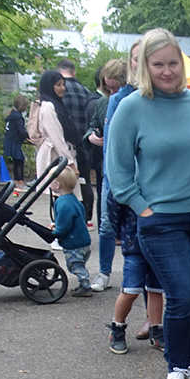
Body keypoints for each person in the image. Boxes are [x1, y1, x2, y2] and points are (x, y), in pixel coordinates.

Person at [105, 28, 190, 379]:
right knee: (180, 295)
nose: (167, 70)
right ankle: (176, 364)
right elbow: (118, 171)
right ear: (145, 66)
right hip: (161, 220)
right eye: (158, 64)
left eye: (173, 63)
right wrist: (143, 210)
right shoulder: (131, 107)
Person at [100, 40, 142, 298]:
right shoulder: (119, 100)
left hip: (153, 185)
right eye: (136, 58)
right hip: (122, 179)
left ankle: (154, 317)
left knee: (148, 245)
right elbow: (112, 148)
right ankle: (105, 272)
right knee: (110, 226)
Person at [85, 58, 128, 291]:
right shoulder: (105, 102)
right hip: (108, 172)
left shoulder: (132, 100)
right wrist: (92, 136)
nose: (111, 92)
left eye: (115, 87)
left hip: (131, 173)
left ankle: (140, 279)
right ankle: (104, 273)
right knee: (105, 225)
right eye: (108, 88)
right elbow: (91, 126)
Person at [105, 193, 165, 353]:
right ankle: (117, 328)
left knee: (156, 290)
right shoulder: (127, 180)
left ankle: (156, 330)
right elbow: (113, 209)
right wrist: (123, 234)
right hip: (134, 243)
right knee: (130, 290)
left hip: (158, 242)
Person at [57, 59, 96, 220]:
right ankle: (87, 218)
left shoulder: (58, 94)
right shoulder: (86, 92)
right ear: (74, 72)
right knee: (84, 181)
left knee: (64, 184)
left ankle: (67, 219)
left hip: (64, 146)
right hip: (84, 145)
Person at [48, 167, 93, 297]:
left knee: (75, 265)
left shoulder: (63, 203)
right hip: (83, 240)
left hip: (75, 243)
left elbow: (64, 225)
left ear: (57, 185)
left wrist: (57, 231)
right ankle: (83, 284)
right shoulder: (73, 199)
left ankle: (85, 286)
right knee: (80, 263)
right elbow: (75, 218)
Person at [35, 69, 79, 198]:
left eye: (63, 84)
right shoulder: (48, 106)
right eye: (58, 85)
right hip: (56, 157)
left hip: (62, 155)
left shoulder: (58, 105)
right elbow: (57, 137)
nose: (63, 88)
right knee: (62, 195)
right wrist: (70, 163)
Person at [4, 94, 29, 189]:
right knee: (20, 161)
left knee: (15, 162)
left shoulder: (11, 115)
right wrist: (28, 137)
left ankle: (16, 182)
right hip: (15, 142)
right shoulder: (18, 117)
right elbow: (21, 131)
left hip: (9, 141)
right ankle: (21, 183)